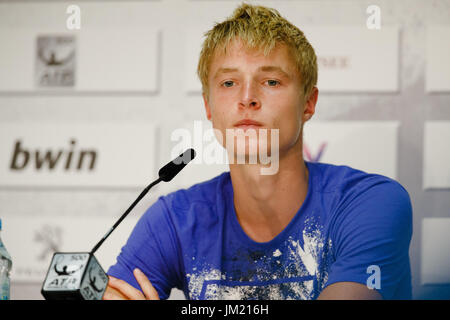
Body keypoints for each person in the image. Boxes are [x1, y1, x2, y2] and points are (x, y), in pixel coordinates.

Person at [103, 3, 412, 300]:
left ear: (308, 102)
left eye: (271, 81)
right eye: (228, 82)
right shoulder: (175, 220)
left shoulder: (371, 203)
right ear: (208, 106)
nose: (247, 98)